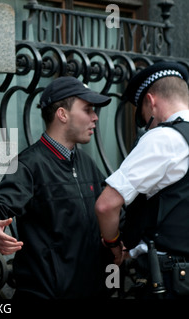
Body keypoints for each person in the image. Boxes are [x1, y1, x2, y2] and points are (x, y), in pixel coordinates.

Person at [0, 76, 112, 299]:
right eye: (88, 109)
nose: (95, 118)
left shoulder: (87, 163)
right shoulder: (29, 165)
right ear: (62, 114)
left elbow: (111, 209)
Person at [95, 61, 189, 298]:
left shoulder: (164, 137)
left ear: (151, 101)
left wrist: (113, 243)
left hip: (168, 279)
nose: (148, 124)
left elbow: (106, 205)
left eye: (143, 116)